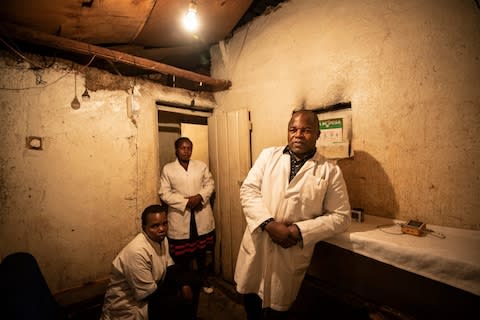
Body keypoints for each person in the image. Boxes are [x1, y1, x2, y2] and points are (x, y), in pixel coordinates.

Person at [234, 109, 351, 320]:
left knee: (279, 311)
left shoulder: (330, 171)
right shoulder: (268, 155)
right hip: (259, 242)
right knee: (251, 303)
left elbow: (341, 216)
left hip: (290, 250)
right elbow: (248, 190)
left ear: (318, 134)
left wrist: (298, 231)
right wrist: (269, 224)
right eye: (293, 129)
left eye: (306, 130)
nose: (298, 135)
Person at [100, 204, 200, 320]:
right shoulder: (136, 252)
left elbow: (170, 266)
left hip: (152, 289)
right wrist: (179, 296)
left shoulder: (161, 239)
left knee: (193, 281)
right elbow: (149, 295)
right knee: (177, 304)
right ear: (144, 227)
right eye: (155, 226)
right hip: (131, 307)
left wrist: (184, 283)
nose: (162, 229)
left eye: (164, 223)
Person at [159, 137, 216, 294]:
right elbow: (164, 193)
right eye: (182, 148)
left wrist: (200, 197)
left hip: (200, 214)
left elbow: (210, 184)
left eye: (189, 148)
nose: (186, 151)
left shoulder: (201, 166)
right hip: (180, 216)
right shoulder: (168, 169)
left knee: (201, 252)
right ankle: (186, 283)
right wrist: (185, 202)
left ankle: (203, 278)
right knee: (183, 255)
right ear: (176, 150)